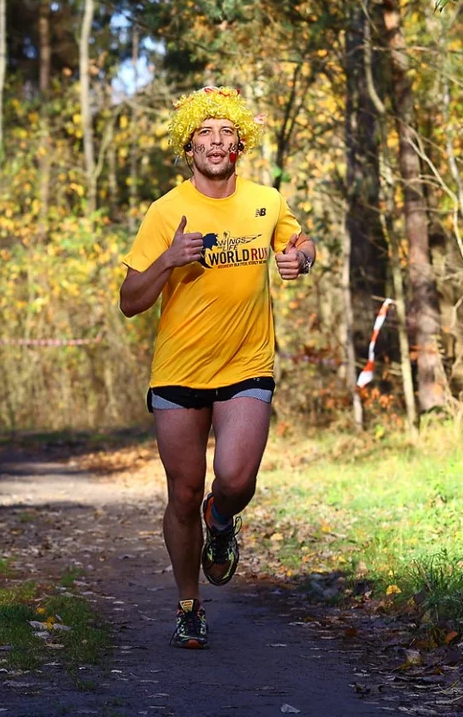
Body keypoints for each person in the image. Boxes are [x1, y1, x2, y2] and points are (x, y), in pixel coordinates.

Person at [119, 86, 316, 649]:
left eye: (226, 133)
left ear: (239, 145)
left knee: (235, 479)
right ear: (189, 146)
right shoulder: (166, 210)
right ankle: (188, 605)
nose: (216, 142)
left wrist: (299, 257)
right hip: (179, 371)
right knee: (182, 493)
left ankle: (222, 518)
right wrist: (168, 259)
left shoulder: (266, 201)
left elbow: (303, 242)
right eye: (205, 133)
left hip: (246, 364)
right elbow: (130, 300)